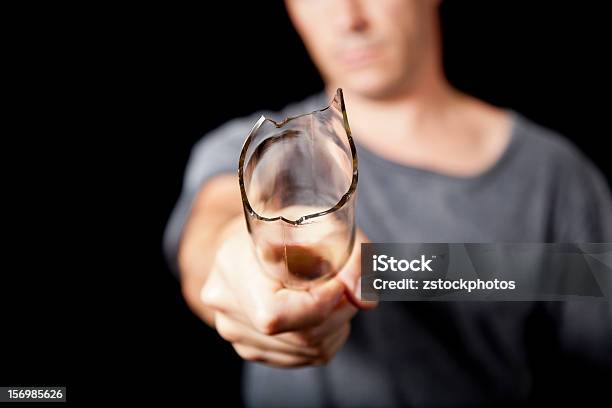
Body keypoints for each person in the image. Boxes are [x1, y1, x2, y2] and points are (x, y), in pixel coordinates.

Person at [164, 0, 612, 406]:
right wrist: (243, 257)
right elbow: (212, 230)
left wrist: (374, 269)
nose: (348, 19)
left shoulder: (558, 178)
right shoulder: (251, 150)